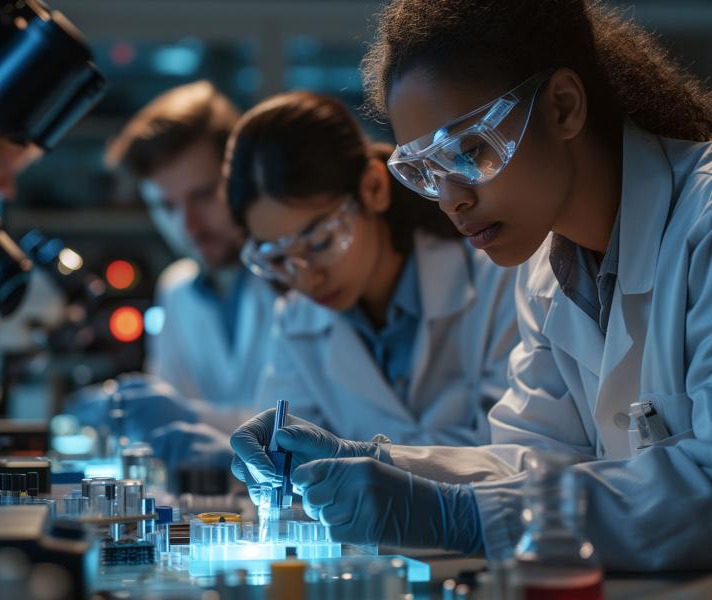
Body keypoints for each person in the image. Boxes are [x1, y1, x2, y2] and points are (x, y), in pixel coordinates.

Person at [231, 0, 712, 570]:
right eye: (426, 172)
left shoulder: (702, 223)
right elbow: (541, 462)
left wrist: (454, 516)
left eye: (470, 151)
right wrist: (380, 463)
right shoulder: (546, 271)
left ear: (562, 106)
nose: (450, 200)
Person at [224, 91, 517, 446]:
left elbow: (514, 450)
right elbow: (286, 456)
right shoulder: (297, 322)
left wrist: (376, 468)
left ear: (373, 188)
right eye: (277, 259)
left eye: (320, 243)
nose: (305, 278)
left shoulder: (495, 279)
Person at [102, 81, 277, 466]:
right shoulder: (175, 289)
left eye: (203, 195)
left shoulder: (299, 277)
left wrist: (189, 416)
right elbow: (165, 439)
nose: (188, 225)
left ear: (242, 177)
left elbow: (309, 425)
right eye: (166, 206)